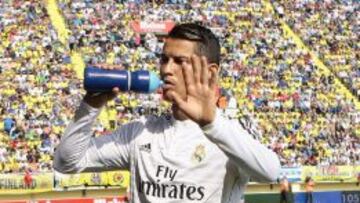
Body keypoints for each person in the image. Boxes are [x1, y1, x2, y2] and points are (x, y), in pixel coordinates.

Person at [54, 23, 280, 203]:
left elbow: (270, 172)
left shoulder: (230, 128)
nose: (166, 69)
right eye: (164, 59)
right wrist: (91, 106)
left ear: (210, 72)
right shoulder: (141, 132)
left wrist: (211, 122)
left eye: (180, 61)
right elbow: (67, 162)